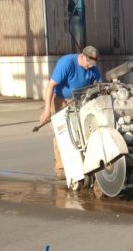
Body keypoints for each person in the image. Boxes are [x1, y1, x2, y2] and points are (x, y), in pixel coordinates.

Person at [39, 46, 102, 179]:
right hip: (61, 100)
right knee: (62, 132)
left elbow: (99, 89)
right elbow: (51, 86)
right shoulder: (66, 63)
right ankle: (61, 167)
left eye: (92, 65)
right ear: (82, 57)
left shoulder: (93, 69)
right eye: (88, 64)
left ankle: (85, 163)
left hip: (80, 100)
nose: (89, 67)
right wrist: (46, 110)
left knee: (83, 131)